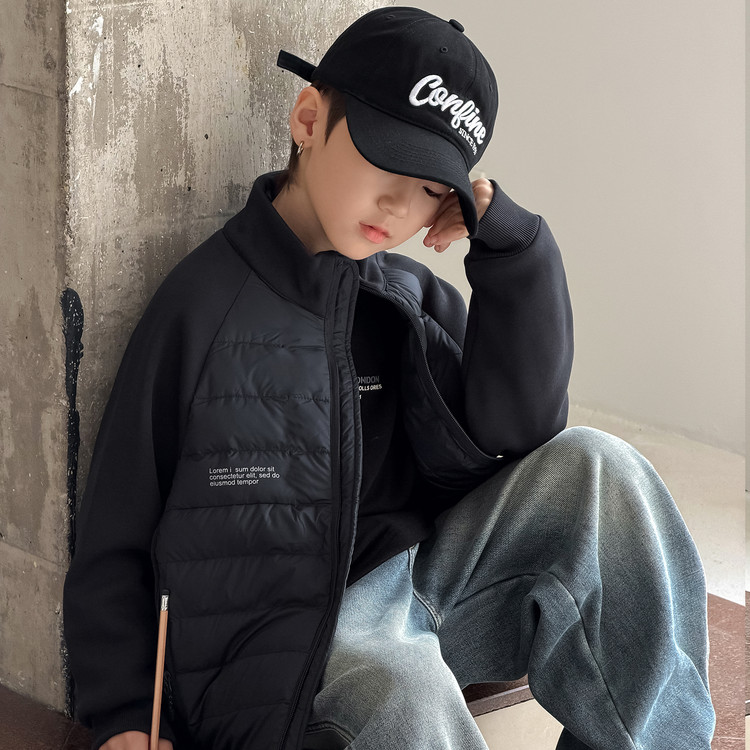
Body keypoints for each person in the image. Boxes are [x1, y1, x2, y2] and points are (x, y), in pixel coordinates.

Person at [63, 7, 715, 750]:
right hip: (284, 656)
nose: (401, 206)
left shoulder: (405, 297)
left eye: (433, 189)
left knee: (600, 467)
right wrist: (123, 713)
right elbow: (115, 531)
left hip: (418, 589)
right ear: (309, 119)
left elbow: (523, 434)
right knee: (404, 684)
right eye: (385, 161)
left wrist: (514, 254)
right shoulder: (202, 310)